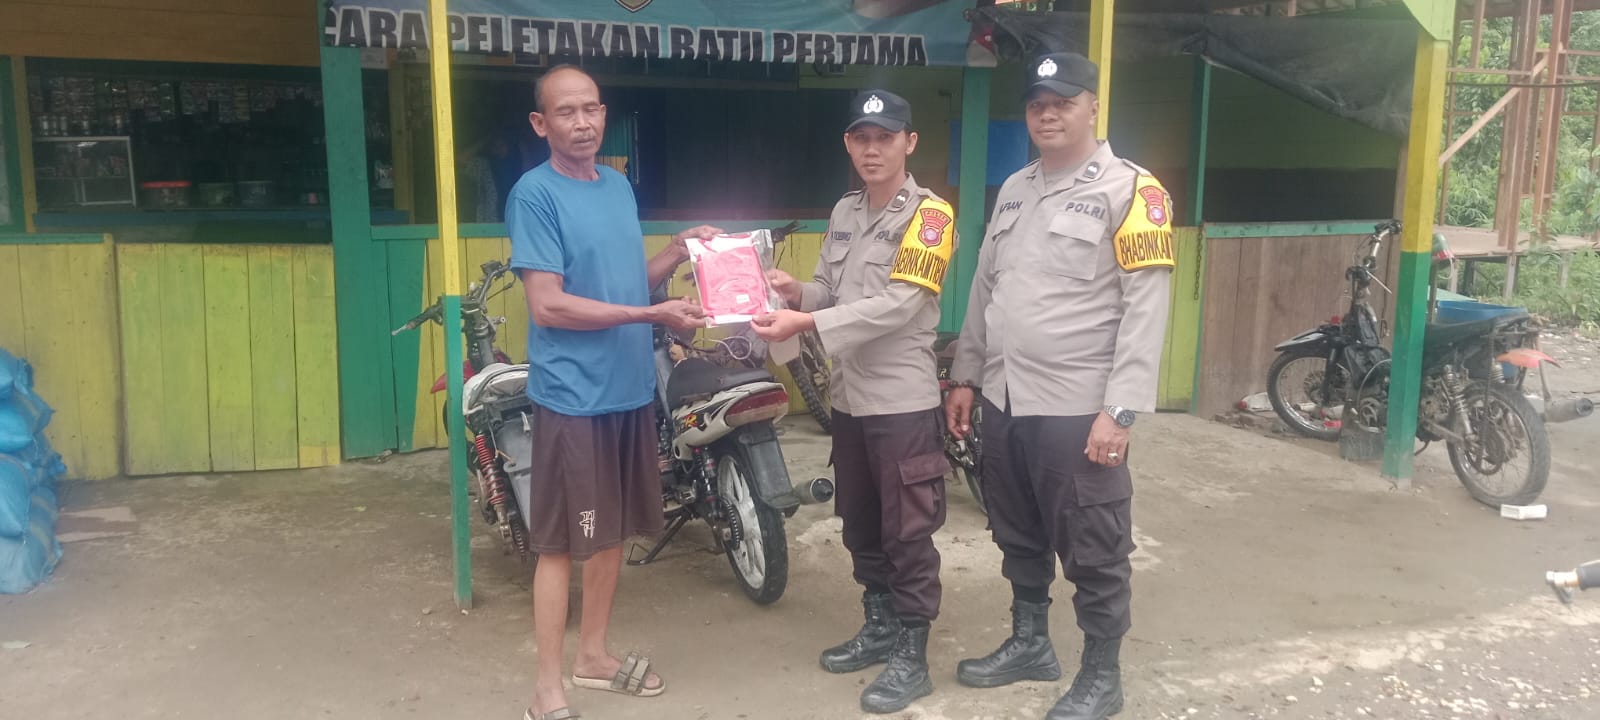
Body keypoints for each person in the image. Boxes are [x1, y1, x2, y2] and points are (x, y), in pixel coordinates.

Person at [943, 52, 1175, 720]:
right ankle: (1030, 643)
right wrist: (965, 372)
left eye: (1062, 101)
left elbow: (1146, 305)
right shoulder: (1015, 188)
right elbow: (988, 291)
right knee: (1016, 529)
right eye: (1037, 103)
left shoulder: (1134, 192)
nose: (1047, 113)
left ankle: (1102, 675)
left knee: (1094, 543)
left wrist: (1121, 411)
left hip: (1080, 409)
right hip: (1006, 397)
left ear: (1093, 106)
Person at [508, 64, 719, 720]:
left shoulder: (618, 186)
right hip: (574, 397)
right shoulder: (534, 194)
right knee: (561, 543)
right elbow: (550, 306)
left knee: (611, 533)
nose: (582, 123)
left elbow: (629, 280)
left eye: (591, 109)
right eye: (566, 112)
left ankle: (593, 656)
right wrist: (653, 317)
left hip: (628, 390)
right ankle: (548, 688)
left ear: (605, 114)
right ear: (542, 124)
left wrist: (677, 252)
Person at [752, 89, 957, 715]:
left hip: (902, 400)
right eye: (862, 138)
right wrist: (797, 293)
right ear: (848, 144)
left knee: (908, 530)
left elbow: (902, 305)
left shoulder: (932, 217)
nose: (873, 148)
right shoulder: (843, 212)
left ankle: (913, 654)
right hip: (851, 399)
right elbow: (832, 290)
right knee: (862, 522)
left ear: (909, 143)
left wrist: (805, 326)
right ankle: (880, 625)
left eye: (885, 137)